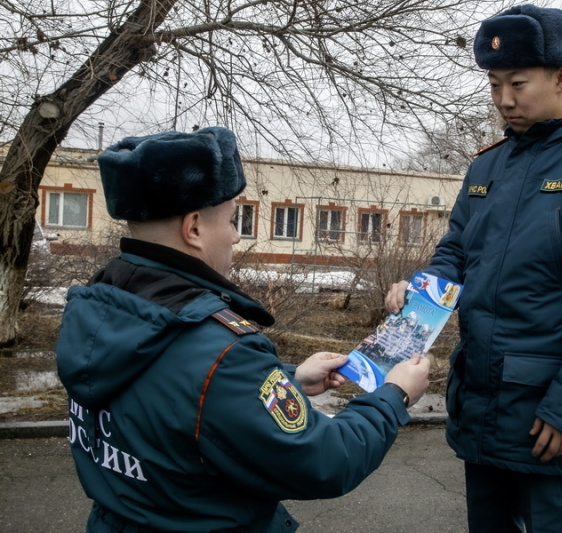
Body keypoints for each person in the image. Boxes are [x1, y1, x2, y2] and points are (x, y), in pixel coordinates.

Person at [56, 126, 429, 532]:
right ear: (194, 228)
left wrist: (289, 380)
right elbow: (325, 461)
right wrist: (395, 395)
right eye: (234, 219)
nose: (236, 235)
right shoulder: (220, 351)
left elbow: (171, 402)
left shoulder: (102, 311)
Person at [386, 5, 562, 532]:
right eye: (493, 84)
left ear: (561, 77)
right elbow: (457, 252)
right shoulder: (488, 164)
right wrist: (419, 292)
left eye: (517, 82)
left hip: (546, 409)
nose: (504, 100)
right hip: (479, 398)